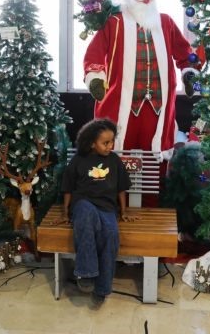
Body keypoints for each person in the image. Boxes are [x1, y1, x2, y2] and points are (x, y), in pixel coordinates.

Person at [83, 0, 198, 154]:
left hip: (157, 105)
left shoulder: (165, 22)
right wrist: (95, 78)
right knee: (119, 149)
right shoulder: (114, 23)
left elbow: (184, 52)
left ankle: (155, 184)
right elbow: (94, 54)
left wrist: (188, 72)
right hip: (122, 102)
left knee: (155, 155)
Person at [57, 118, 133, 307]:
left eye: (112, 141)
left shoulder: (114, 160)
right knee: (86, 216)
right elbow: (68, 188)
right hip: (83, 203)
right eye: (105, 142)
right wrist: (65, 213)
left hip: (107, 207)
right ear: (92, 143)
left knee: (111, 234)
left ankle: (102, 287)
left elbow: (121, 188)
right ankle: (86, 273)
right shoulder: (79, 160)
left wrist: (123, 212)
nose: (110, 146)